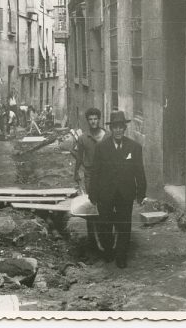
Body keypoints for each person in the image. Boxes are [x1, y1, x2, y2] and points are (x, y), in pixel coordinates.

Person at [91, 111, 147, 269]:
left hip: (125, 193)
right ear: (111, 129)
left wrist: (141, 193)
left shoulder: (134, 147)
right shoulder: (102, 147)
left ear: (125, 128)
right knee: (105, 224)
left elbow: (139, 171)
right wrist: (93, 194)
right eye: (115, 127)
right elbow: (95, 171)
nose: (118, 130)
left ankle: (121, 256)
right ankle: (108, 251)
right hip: (105, 193)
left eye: (120, 127)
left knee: (124, 225)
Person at [73, 108, 106, 193]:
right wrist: (76, 172)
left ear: (99, 119)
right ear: (87, 121)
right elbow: (79, 156)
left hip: (105, 172)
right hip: (90, 173)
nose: (93, 121)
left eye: (95, 119)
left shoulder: (107, 136)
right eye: (90, 119)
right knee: (91, 199)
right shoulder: (83, 138)